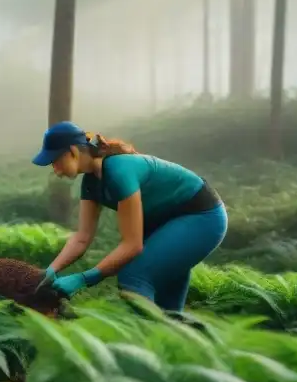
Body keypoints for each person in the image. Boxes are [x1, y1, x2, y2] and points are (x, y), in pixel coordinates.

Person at [31, 121, 226, 311]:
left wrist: (84, 279)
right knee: (168, 311)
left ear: (73, 151)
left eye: (55, 161)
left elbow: (132, 245)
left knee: (134, 277)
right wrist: (50, 271)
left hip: (201, 216)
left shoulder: (118, 170)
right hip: (166, 226)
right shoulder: (90, 183)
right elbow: (82, 238)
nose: (55, 171)